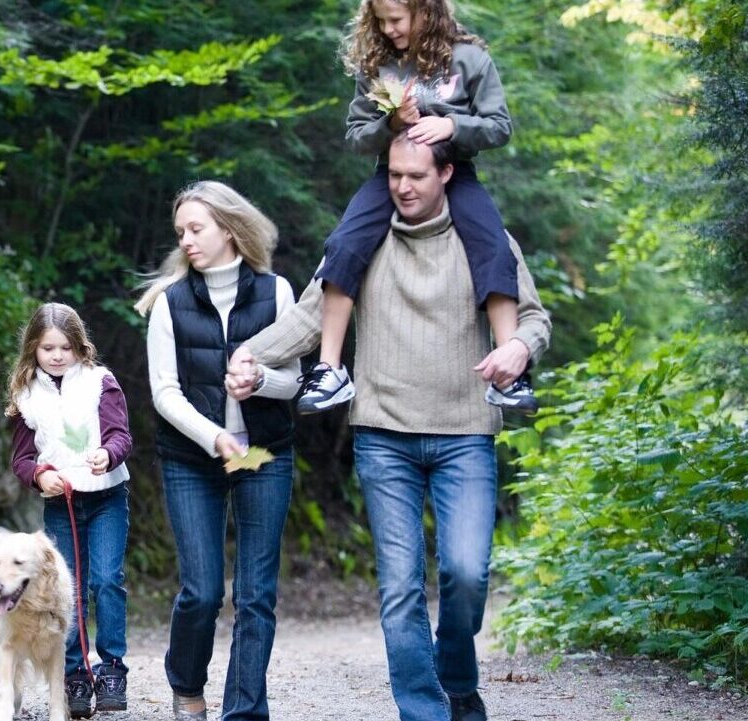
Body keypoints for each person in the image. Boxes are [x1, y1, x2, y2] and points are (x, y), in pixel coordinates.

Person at [227, 136, 551, 721]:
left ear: (447, 173)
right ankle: (424, 711)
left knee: (466, 574)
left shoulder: (485, 240)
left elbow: (531, 316)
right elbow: (308, 316)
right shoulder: (362, 241)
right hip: (384, 437)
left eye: (417, 176)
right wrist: (251, 353)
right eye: (395, 175)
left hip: (465, 434)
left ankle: (454, 677)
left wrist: (520, 349)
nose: (403, 186)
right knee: (400, 590)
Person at [297, 0, 537, 416]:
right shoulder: (378, 64)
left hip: (452, 171)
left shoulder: (470, 59)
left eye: (396, 19)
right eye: (380, 21)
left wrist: (452, 126)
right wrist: (390, 125)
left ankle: (510, 376)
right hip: (391, 173)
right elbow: (356, 136)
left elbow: (499, 127)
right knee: (343, 244)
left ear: (427, 12)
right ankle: (330, 369)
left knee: (493, 247)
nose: (388, 29)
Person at [135, 181, 302, 721]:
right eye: (180, 231)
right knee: (202, 592)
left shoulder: (277, 292)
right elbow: (164, 393)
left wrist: (261, 384)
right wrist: (214, 436)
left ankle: (245, 711)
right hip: (192, 462)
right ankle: (187, 684)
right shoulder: (169, 303)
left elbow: (295, 382)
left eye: (196, 229)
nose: (186, 240)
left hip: (264, 457)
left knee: (255, 595)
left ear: (228, 229)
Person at [7, 302, 134, 719]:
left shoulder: (101, 382)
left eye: (65, 347)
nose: (57, 356)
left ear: (81, 348)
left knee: (106, 580)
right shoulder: (25, 395)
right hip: (61, 504)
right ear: (34, 350)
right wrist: (39, 475)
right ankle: (75, 674)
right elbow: (22, 459)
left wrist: (107, 454)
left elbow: (120, 435)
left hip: (106, 497)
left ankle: (112, 668)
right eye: (47, 348)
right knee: (68, 591)